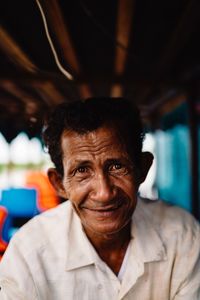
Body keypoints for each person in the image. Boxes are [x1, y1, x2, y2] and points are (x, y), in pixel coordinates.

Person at [0, 97, 199, 300]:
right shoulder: (27, 254)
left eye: (116, 166)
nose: (104, 193)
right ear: (59, 184)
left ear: (142, 169)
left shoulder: (182, 234)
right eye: (82, 170)